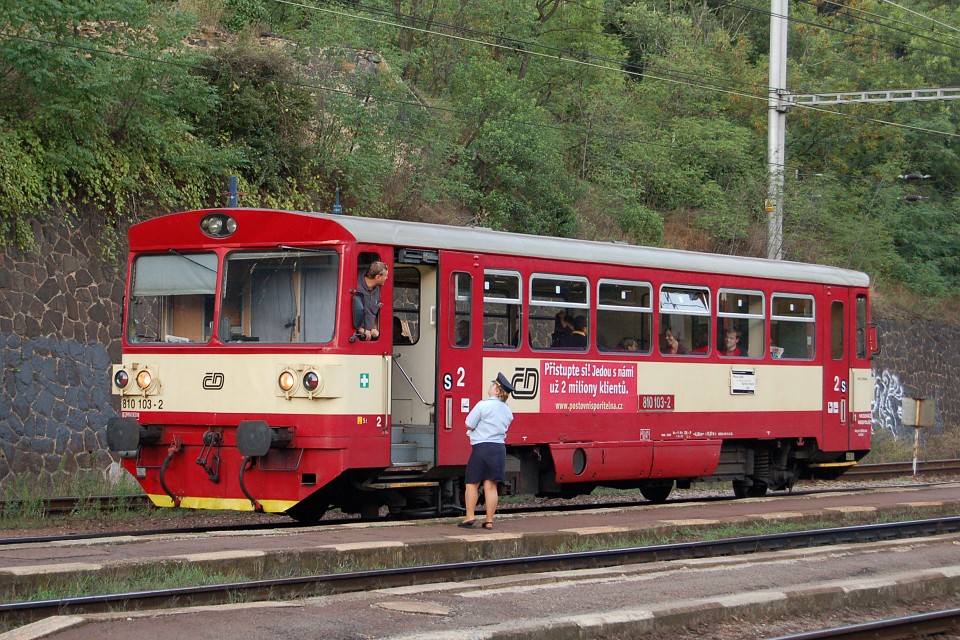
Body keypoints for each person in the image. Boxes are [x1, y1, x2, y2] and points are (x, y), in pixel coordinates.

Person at [459, 372, 515, 530]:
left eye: (492, 385)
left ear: (497, 390)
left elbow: (468, 424)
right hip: (498, 449)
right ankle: (489, 521)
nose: (490, 387)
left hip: (481, 448)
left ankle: (470, 517)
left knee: (471, 483)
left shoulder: (483, 405)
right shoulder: (507, 410)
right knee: (491, 486)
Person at [355, 261, 388, 340]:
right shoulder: (355, 287)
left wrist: (374, 328)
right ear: (377, 277)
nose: (387, 278)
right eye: (386, 276)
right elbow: (346, 314)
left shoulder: (378, 291)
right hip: (355, 338)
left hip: (370, 339)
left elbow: (374, 313)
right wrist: (360, 330)